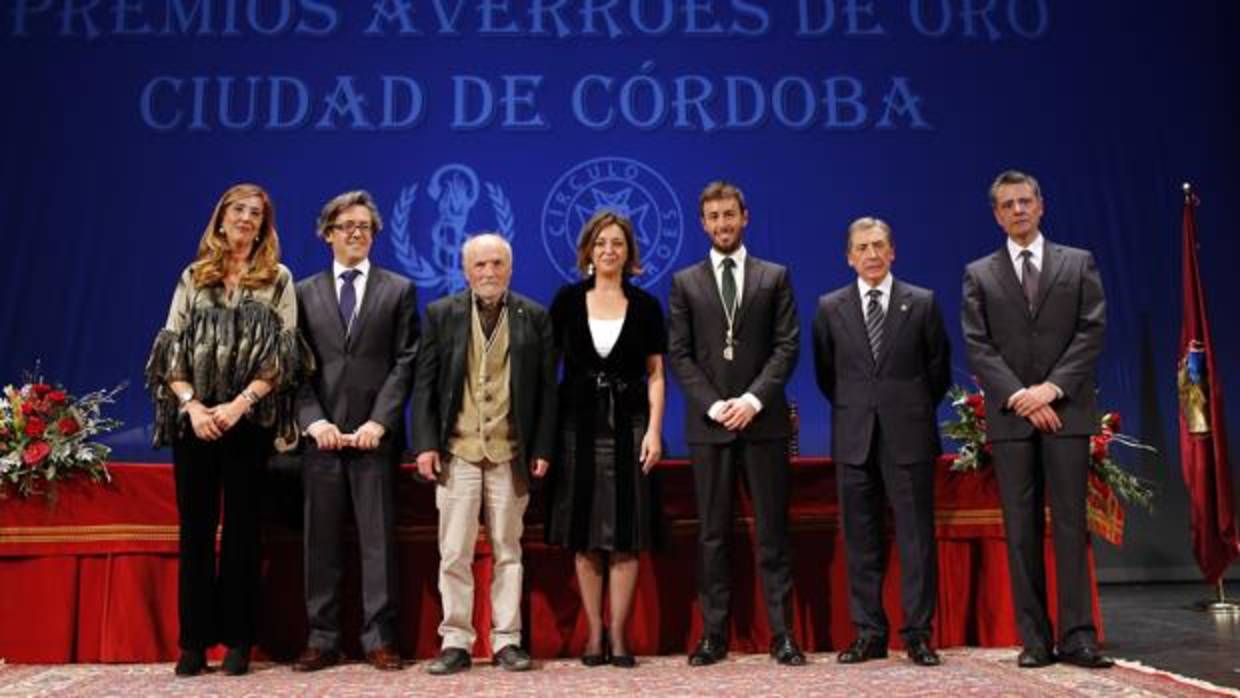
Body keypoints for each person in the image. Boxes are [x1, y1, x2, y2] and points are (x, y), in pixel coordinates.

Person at [144, 183, 309, 677]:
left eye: (255, 213)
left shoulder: (278, 279)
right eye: (238, 210)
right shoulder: (194, 277)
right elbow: (168, 352)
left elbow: (284, 357)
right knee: (195, 532)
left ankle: (238, 641)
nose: (246, 219)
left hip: (247, 423)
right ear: (220, 218)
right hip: (194, 423)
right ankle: (193, 642)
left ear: (264, 224)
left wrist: (239, 405)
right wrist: (193, 406)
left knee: (242, 533)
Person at [962, 170, 1111, 669]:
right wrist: (1022, 395)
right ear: (997, 214)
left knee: (1069, 525)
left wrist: (1051, 389)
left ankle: (1079, 636)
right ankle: (1035, 639)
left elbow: (1090, 330)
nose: (1018, 210)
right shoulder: (979, 274)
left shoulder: (1078, 263)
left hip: (1066, 413)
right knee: (1021, 529)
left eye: (1025, 201)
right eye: (1008, 204)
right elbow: (978, 345)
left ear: (1041, 206)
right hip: (1012, 419)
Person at [667, 181, 804, 667]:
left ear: (746, 217)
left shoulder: (774, 276)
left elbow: (787, 347)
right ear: (703, 223)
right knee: (712, 534)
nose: (722, 224)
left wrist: (750, 400)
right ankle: (714, 634)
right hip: (710, 427)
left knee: (772, 532)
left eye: (730, 215)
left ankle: (783, 634)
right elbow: (679, 355)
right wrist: (714, 404)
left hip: (763, 423)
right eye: (713, 217)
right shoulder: (685, 282)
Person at [411, 233, 557, 675]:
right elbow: (425, 385)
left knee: (508, 551)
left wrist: (543, 447)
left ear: (510, 269)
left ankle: (507, 640)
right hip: (458, 451)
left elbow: (548, 391)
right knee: (454, 552)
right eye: (480, 265)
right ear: (466, 271)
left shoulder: (533, 316)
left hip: (510, 452)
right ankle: (456, 640)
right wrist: (425, 443)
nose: (489, 272)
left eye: (497, 264)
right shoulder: (441, 314)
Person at [811, 217, 951, 667]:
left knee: (915, 540)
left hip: (908, 438)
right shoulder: (830, 308)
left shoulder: (922, 303)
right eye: (862, 248)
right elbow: (827, 376)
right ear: (849, 257)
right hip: (854, 439)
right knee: (861, 540)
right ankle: (869, 633)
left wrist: (900, 408)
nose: (871, 254)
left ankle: (918, 635)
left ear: (893, 252)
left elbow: (938, 373)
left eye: (878, 246)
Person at [291, 191, 420, 672]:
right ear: (327, 233)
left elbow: (407, 361)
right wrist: (314, 421)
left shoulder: (399, 289)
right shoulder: (302, 293)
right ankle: (322, 638)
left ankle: (380, 639)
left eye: (365, 226)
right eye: (346, 226)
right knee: (319, 541)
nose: (356, 233)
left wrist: (379, 421)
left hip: (373, 441)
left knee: (377, 543)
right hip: (321, 440)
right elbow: (293, 368)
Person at [545, 210, 667, 668]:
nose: (609, 250)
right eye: (601, 243)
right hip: (577, 430)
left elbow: (656, 375)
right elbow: (547, 368)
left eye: (617, 243)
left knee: (625, 534)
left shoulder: (648, 306)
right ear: (588, 252)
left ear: (629, 252)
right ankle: (593, 634)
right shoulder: (567, 301)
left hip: (631, 429)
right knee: (585, 535)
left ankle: (619, 634)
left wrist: (654, 430)